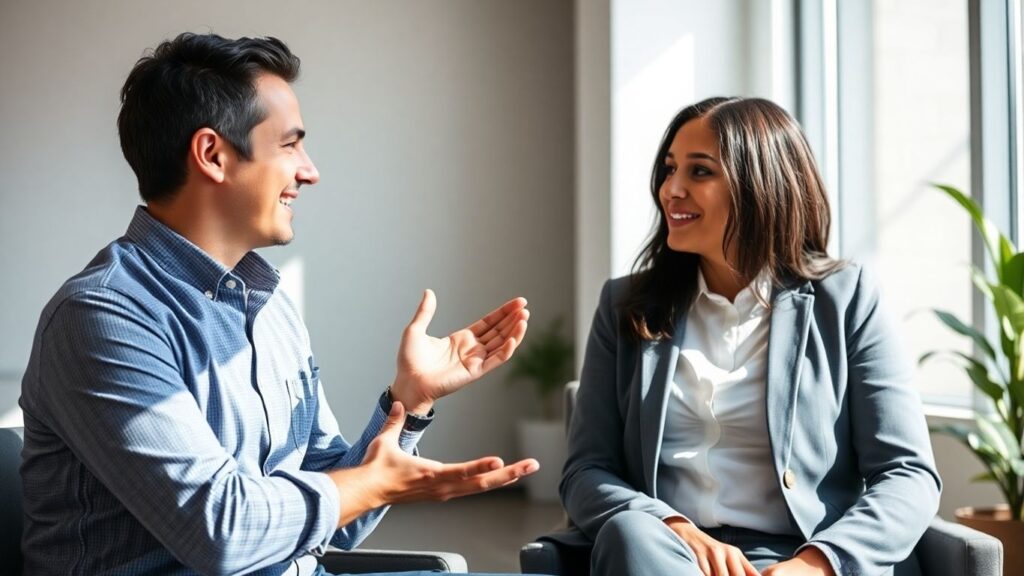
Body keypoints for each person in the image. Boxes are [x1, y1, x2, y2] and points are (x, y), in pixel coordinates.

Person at [19, 33, 539, 576]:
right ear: (213, 155)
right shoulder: (102, 317)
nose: (309, 171)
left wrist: (409, 401)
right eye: (290, 145)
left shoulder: (268, 308)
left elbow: (340, 518)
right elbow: (223, 533)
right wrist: (367, 483)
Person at [558, 97, 941, 576]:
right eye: (670, 168)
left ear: (761, 186)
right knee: (631, 533)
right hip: (668, 556)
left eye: (699, 172)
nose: (670, 190)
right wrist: (671, 524)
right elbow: (585, 472)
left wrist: (818, 563)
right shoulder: (625, 305)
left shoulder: (846, 299)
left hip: (799, 556)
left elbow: (908, 475)